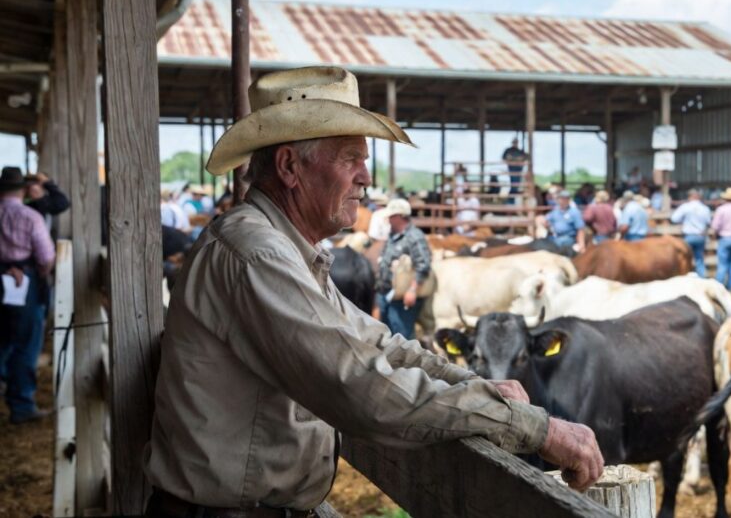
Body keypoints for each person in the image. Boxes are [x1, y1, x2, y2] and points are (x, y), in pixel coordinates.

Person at [143, 67, 603, 517]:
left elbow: (378, 344)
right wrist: (530, 427)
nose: (366, 177)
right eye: (351, 159)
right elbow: (358, 385)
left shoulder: (285, 249)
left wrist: (473, 384)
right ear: (289, 167)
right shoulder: (257, 254)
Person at [0, 166, 55, 424]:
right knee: (26, 343)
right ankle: (21, 404)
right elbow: (46, 257)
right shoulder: (30, 216)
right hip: (24, 281)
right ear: (22, 190)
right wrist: (37, 274)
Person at [375, 198, 431, 339]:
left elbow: (423, 265)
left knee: (401, 336)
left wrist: (412, 290)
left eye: (391, 216)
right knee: (386, 334)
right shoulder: (392, 235)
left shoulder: (414, 236)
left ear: (400, 216)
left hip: (401, 296)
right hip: (386, 292)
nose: (388, 220)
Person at [670, 189, 712, 277]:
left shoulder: (685, 207)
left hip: (689, 236)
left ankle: (685, 277)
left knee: (685, 258)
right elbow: (708, 222)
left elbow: (674, 218)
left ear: (690, 196)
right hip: (700, 236)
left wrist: (683, 220)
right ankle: (702, 278)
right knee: (699, 259)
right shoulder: (705, 208)